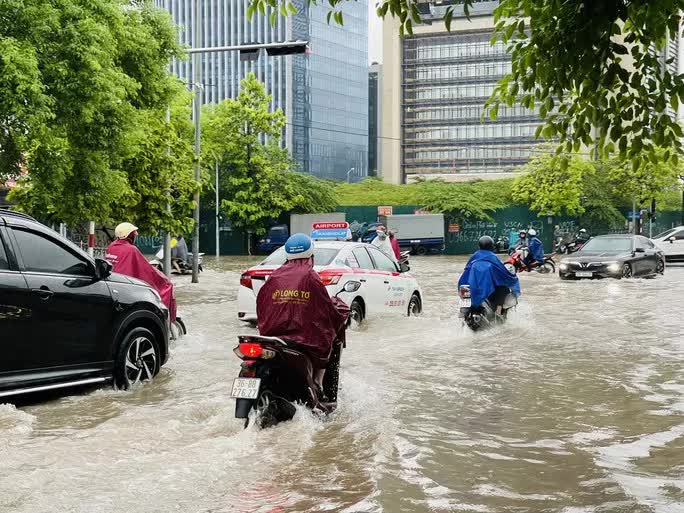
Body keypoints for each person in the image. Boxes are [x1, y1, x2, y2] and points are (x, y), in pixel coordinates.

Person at [256, 234, 348, 391]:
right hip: (303, 340)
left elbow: (261, 305)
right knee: (329, 338)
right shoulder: (311, 277)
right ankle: (319, 383)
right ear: (310, 255)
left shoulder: (274, 276)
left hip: (272, 337)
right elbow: (325, 308)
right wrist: (340, 311)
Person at [106, 222, 177, 321]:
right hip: (126, 286)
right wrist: (164, 279)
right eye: (134, 234)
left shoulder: (111, 247)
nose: (136, 236)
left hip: (113, 284)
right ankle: (163, 318)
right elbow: (147, 269)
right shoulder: (131, 249)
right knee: (166, 285)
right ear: (129, 236)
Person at [458, 236, 521, 316]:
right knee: (503, 287)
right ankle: (498, 311)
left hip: (472, 288)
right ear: (491, 246)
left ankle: (463, 313)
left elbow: (466, 272)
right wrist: (512, 278)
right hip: (487, 290)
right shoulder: (492, 257)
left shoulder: (474, 257)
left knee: (464, 288)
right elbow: (503, 273)